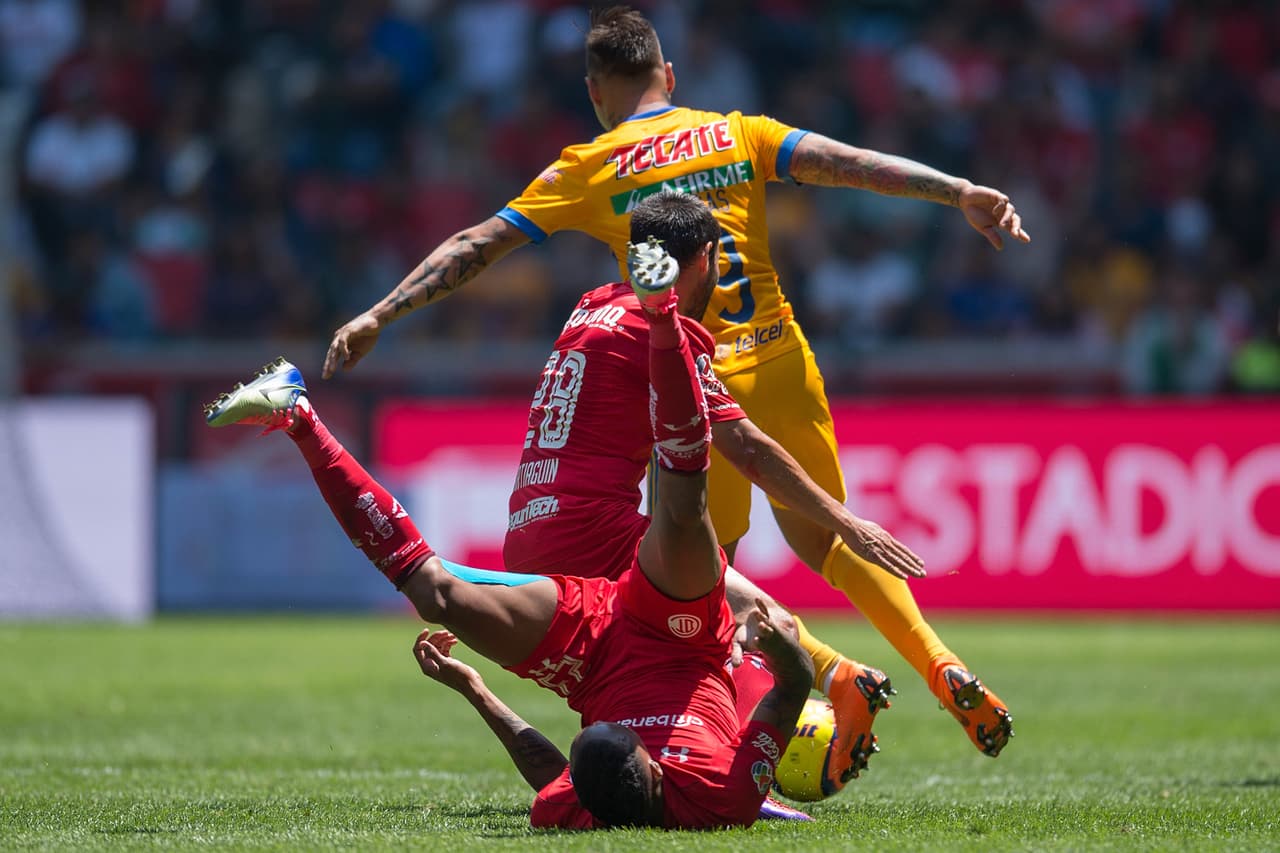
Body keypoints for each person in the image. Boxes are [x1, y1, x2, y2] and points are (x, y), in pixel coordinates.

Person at [322, 6, 1025, 756]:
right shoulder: (736, 130)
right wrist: (957, 190)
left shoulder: (590, 164)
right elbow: (850, 162)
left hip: (695, 381)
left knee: (696, 583)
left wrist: (379, 314)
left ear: (596, 91)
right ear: (671, 76)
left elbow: (478, 243)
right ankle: (939, 662)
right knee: (829, 542)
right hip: (783, 360)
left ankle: (822, 678)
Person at [203, 237, 813, 829]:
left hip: (593, 655)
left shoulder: (576, 808)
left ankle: (297, 415)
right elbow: (794, 685)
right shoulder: (721, 797)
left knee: (432, 593)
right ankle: (662, 317)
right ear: (651, 767)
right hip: (684, 642)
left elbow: (547, 775)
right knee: (683, 508)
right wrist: (778, 643)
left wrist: (476, 691)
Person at [505, 190, 920, 788]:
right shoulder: (662, 335)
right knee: (747, 618)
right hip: (591, 533)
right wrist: (847, 522)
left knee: (666, 654)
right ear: (707, 258)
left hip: (528, 529)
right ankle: (748, 771)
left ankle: (813, 698)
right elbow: (747, 449)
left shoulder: (591, 306)